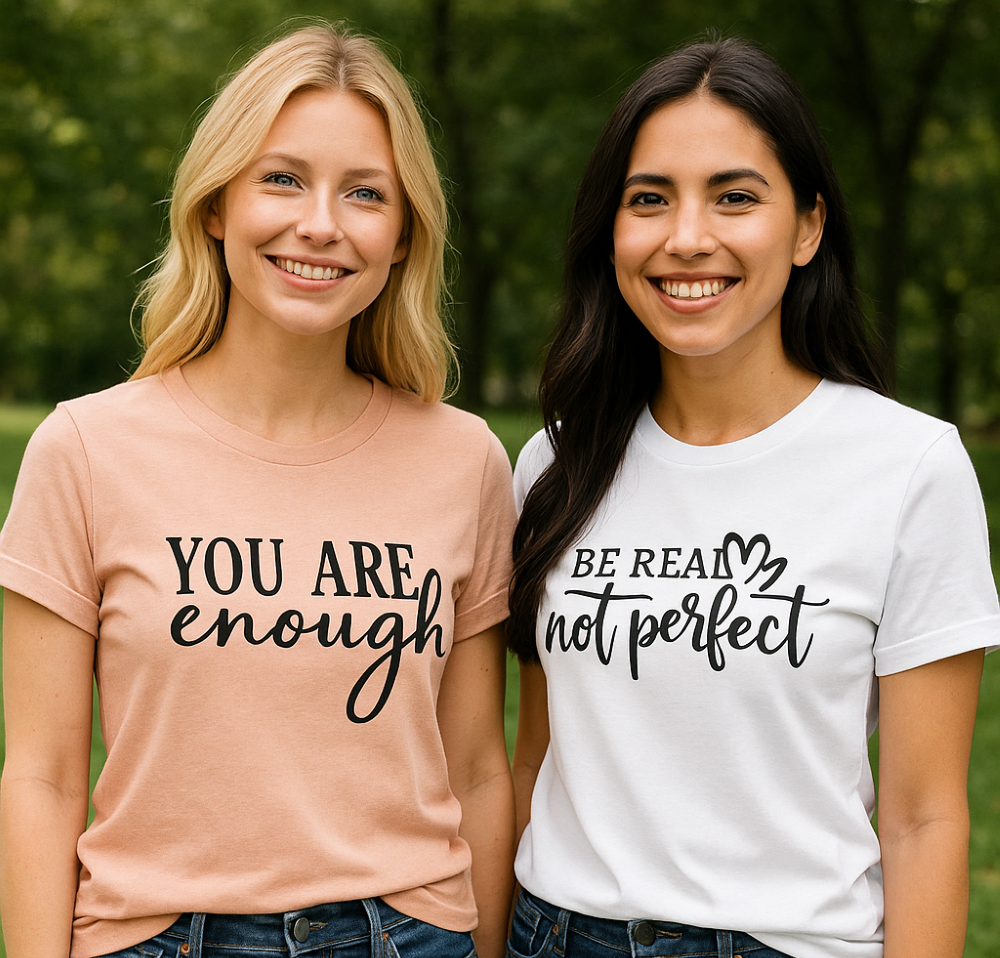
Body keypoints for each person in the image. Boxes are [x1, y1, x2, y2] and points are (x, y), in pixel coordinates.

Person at [0, 23, 516, 958]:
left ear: (402, 238)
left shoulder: (466, 462)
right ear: (213, 205)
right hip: (156, 937)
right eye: (282, 178)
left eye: (365, 193)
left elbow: (479, 769)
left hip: (407, 935)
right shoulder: (83, 449)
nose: (321, 223)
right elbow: (39, 774)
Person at [506, 37, 997, 958]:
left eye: (735, 197)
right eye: (649, 199)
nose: (687, 237)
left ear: (808, 227)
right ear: (610, 230)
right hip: (556, 932)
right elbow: (534, 762)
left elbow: (926, 817)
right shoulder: (552, 466)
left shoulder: (910, 469)